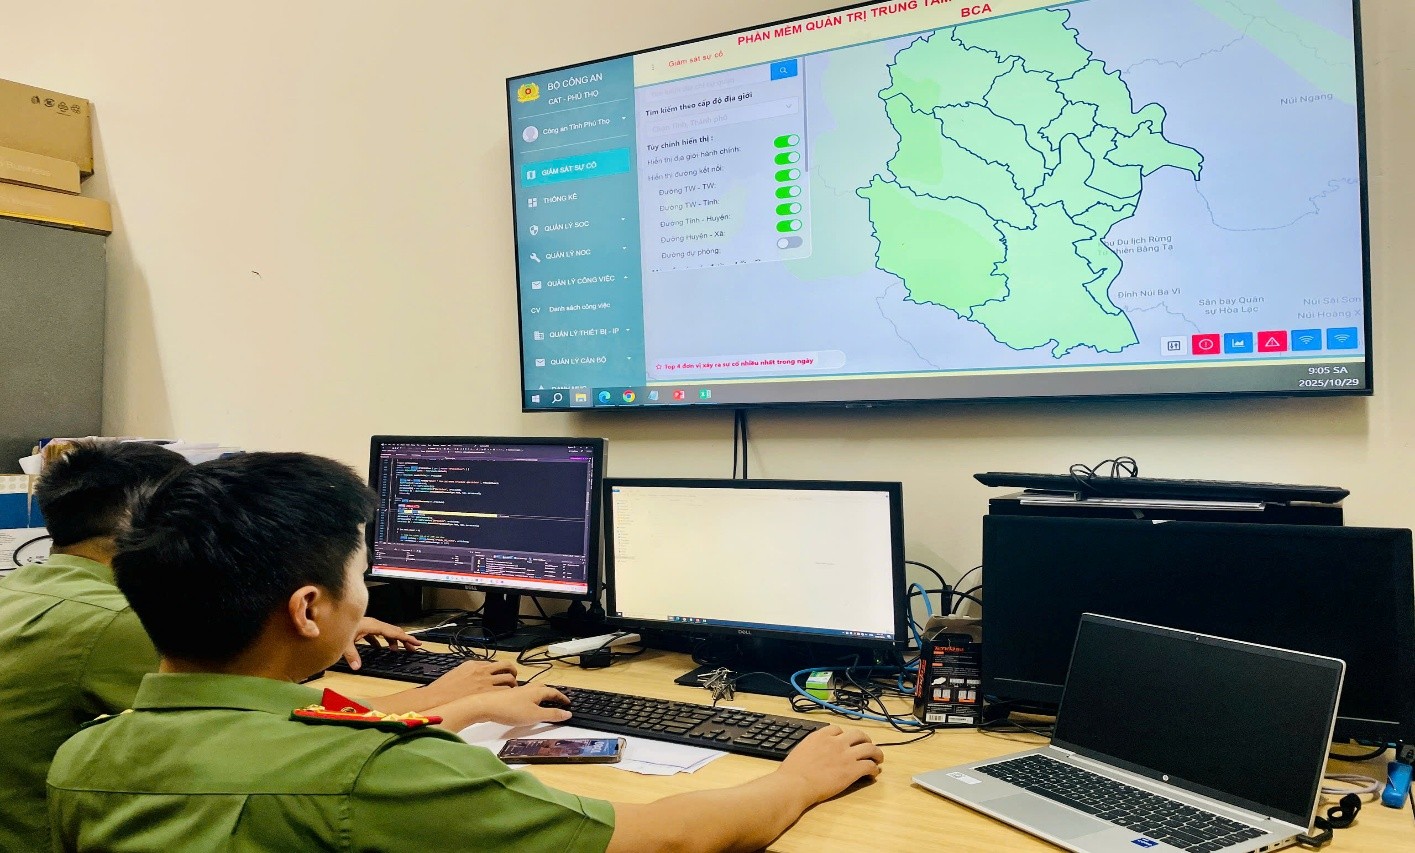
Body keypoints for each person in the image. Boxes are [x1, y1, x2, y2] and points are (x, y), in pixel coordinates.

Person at [48, 452, 884, 852]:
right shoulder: (382, 776)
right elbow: (662, 838)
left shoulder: (84, 756)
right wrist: (796, 778)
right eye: (360, 575)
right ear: (308, 608)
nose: (366, 596)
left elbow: (301, 749)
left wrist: (457, 705)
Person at [0, 441, 514, 853]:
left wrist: (316, 621)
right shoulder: (115, 623)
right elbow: (268, 732)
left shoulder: (79, 746)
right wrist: (455, 701)